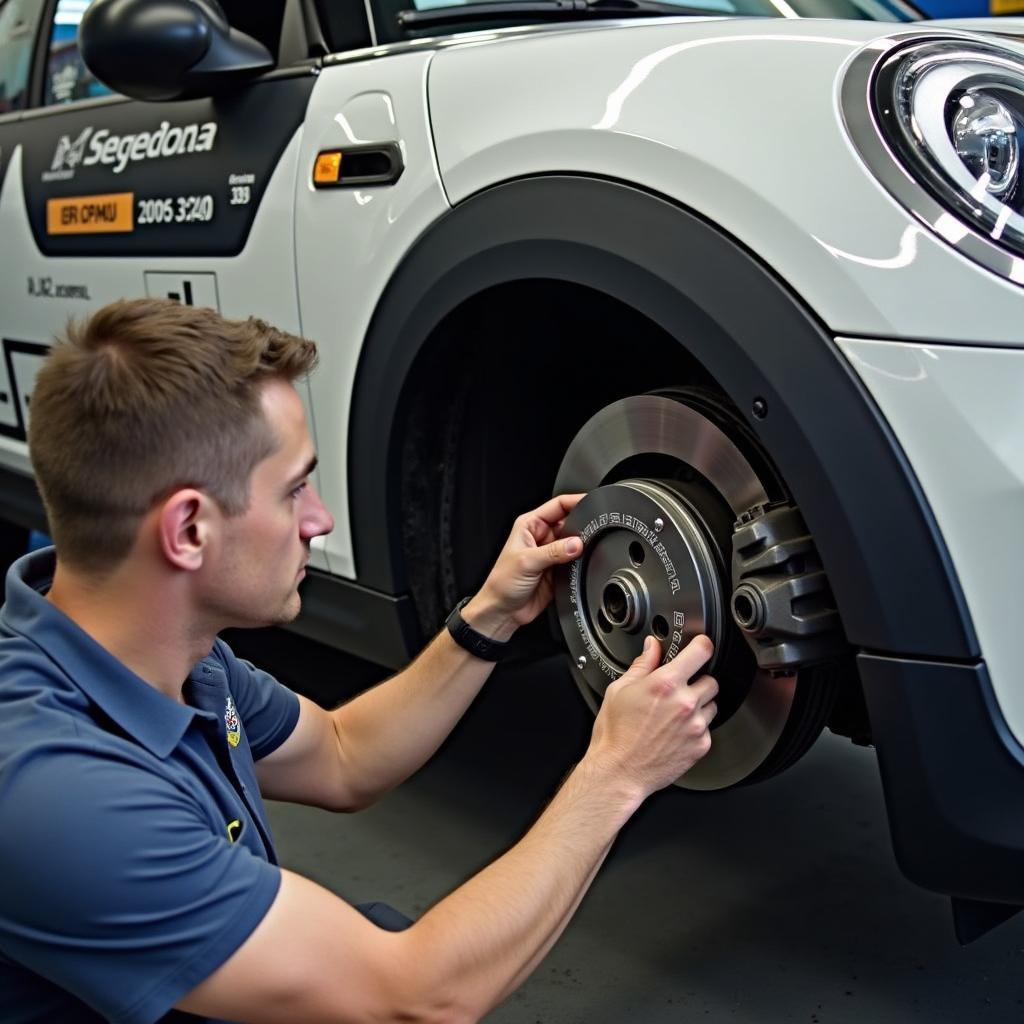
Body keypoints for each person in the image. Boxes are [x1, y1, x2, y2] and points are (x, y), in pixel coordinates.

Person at [0, 298, 719, 1024]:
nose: (320, 519)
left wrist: (491, 614)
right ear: (188, 529)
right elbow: (417, 1000)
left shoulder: (165, 657)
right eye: (292, 491)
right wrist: (616, 774)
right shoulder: (59, 796)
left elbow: (345, 755)